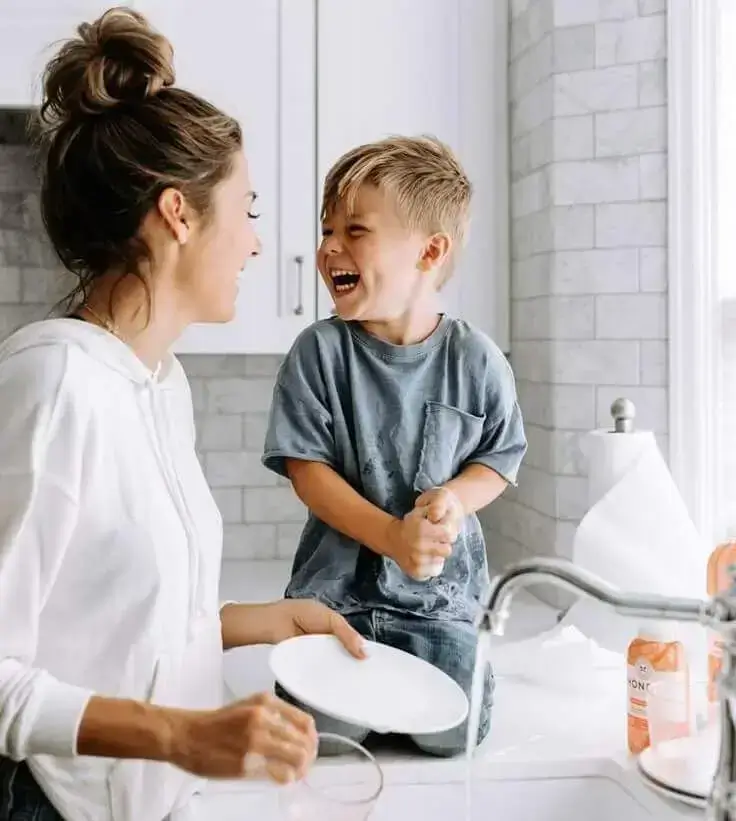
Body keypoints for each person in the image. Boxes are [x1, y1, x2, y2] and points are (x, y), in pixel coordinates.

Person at [0, 8, 366, 821]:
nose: (257, 245)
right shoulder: (54, 382)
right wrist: (178, 735)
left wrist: (247, 624)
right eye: (249, 210)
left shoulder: (159, 383)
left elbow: (116, 624)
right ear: (177, 213)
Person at [262, 135, 528, 757]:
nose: (330, 249)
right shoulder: (318, 353)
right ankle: (363, 704)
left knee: (453, 736)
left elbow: (498, 459)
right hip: (334, 604)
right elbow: (307, 471)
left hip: (438, 606)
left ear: (430, 252)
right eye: (327, 230)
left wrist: (456, 500)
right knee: (322, 737)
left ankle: (395, 700)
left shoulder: (477, 360)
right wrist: (389, 537)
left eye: (355, 231)